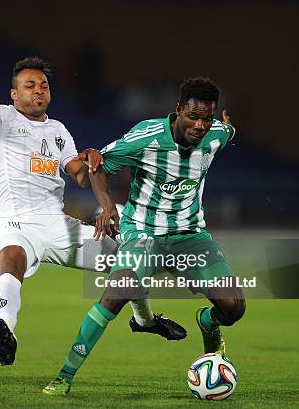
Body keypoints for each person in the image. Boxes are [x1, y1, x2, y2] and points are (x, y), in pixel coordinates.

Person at [0, 57, 187, 366]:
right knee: (12, 264)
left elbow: (79, 176)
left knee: (131, 260)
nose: (38, 91)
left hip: (58, 225)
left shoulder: (58, 131)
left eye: (43, 86)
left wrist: (91, 161)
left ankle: (145, 320)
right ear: (13, 94)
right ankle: (5, 330)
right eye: (30, 86)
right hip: (14, 223)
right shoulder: (2, 119)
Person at [43, 77, 246, 396]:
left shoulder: (215, 135)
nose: (200, 125)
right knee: (114, 296)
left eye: (207, 118)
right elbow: (98, 165)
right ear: (178, 110)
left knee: (234, 307)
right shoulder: (146, 136)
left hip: (190, 236)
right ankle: (64, 376)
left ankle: (207, 321)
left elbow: (226, 130)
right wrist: (108, 206)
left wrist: (228, 127)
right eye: (193, 116)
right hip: (143, 235)